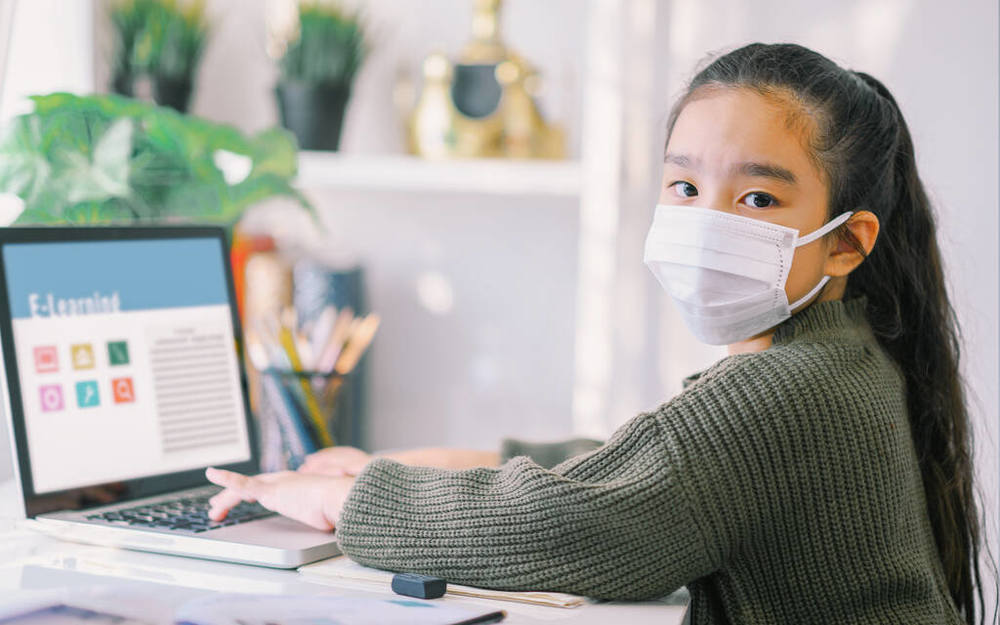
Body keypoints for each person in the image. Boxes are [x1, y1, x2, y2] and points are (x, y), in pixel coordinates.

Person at [205, 43, 991, 624]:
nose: (704, 220)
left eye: (755, 200)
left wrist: (352, 500)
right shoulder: (838, 354)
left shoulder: (784, 389)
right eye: (684, 185)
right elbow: (640, 470)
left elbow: (589, 523)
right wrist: (409, 463)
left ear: (847, 240)